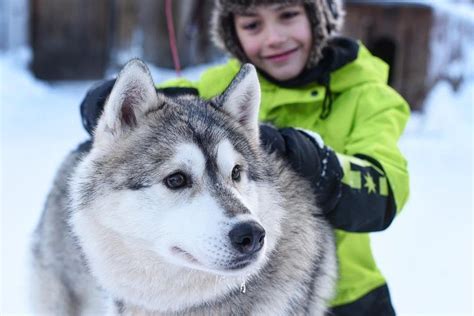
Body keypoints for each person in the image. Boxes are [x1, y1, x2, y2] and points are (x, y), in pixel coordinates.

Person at [79, 0, 410, 314]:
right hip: (217, 285)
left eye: (288, 15)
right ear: (233, 33)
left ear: (318, 17)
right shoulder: (219, 86)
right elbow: (148, 113)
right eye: (253, 25)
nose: (274, 37)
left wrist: (314, 161)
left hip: (348, 297)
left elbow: (384, 192)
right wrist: (104, 103)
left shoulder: (368, 97)